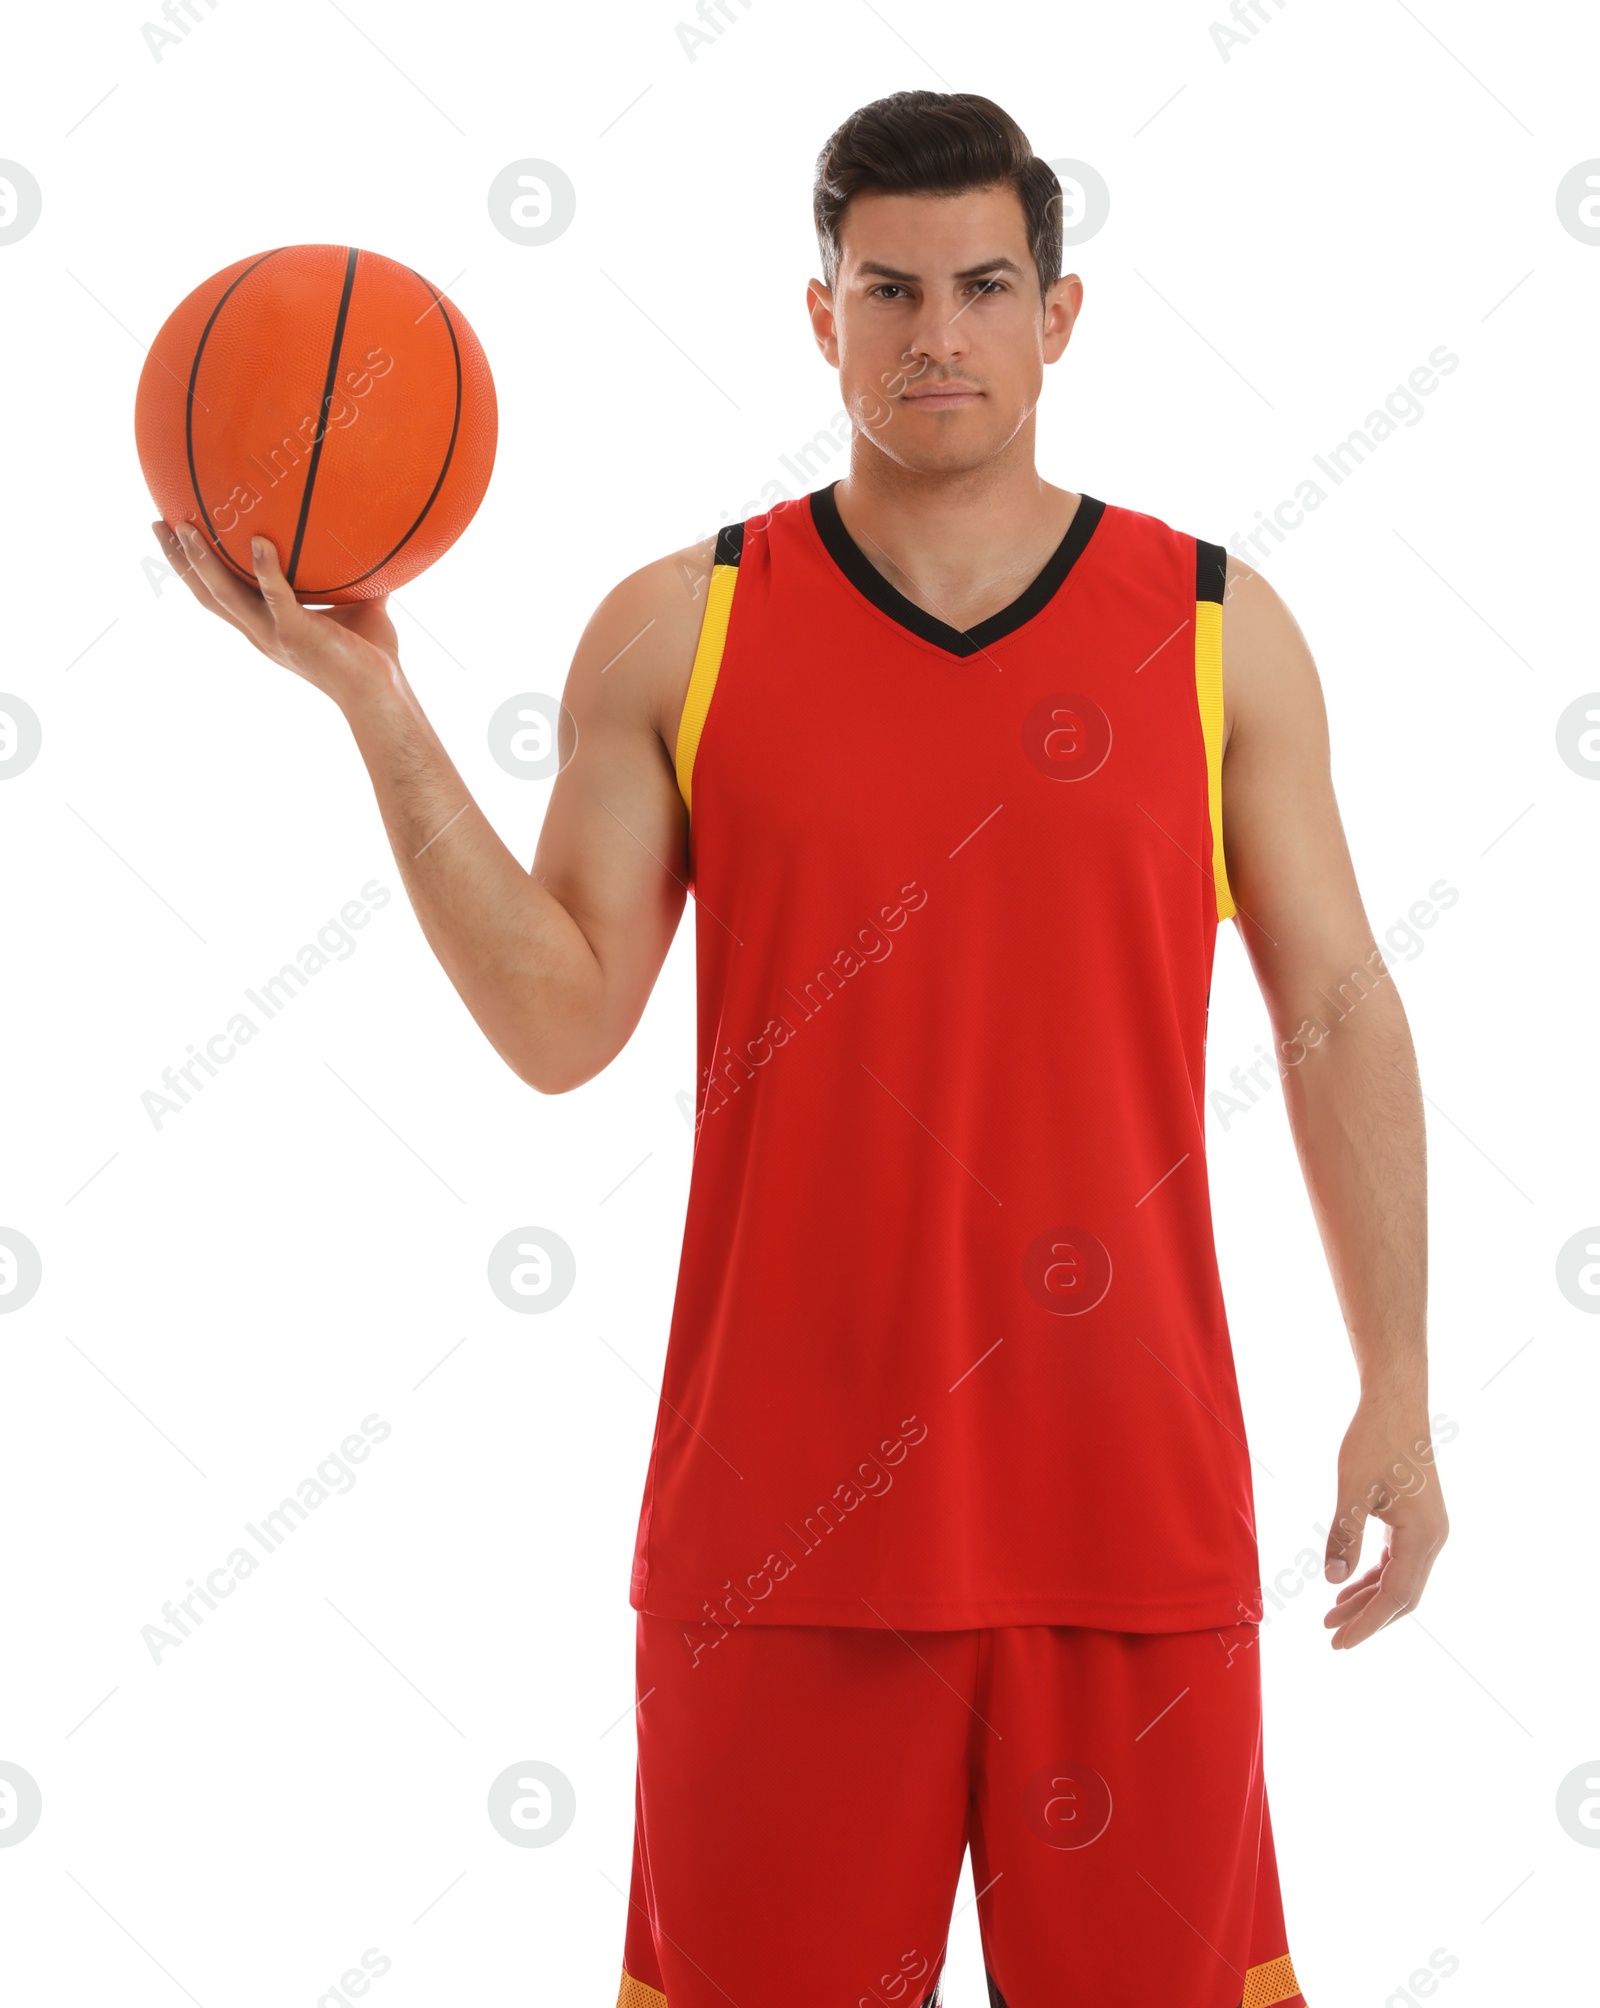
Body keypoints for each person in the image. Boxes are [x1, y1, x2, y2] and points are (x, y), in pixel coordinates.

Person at [153, 87, 1447, 2008]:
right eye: (891, 288)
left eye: (986, 286)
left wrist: (1399, 1386)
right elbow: (556, 1018)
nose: (939, 332)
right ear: (819, 313)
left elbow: (1338, 1018)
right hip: (776, 1546)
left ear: (1060, 316)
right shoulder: (682, 630)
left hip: (1126, 1520)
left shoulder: (1207, 626)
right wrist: (379, 702)